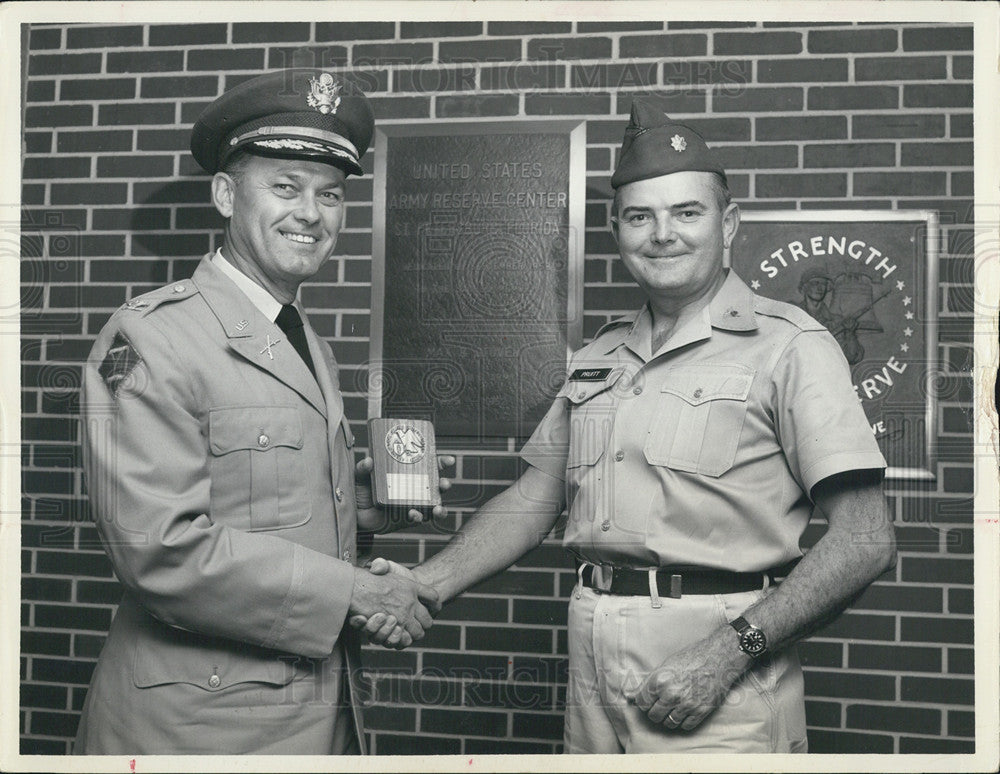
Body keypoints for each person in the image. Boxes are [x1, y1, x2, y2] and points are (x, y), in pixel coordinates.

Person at [354, 100, 897, 753]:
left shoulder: (789, 345)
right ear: (617, 231)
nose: (662, 233)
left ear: (729, 224)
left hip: (719, 664)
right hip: (591, 655)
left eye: (686, 212)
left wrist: (731, 651)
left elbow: (865, 538)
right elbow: (533, 501)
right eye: (641, 216)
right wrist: (424, 584)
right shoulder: (599, 357)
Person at [74, 69, 444, 755]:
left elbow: (255, 504)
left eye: (330, 195)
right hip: (202, 730)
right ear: (225, 194)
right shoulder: (152, 336)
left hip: (312, 711)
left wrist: (355, 511)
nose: (311, 213)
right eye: (285, 186)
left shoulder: (303, 337)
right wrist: (356, 594)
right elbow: (159, 550)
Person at [794, 266, 865, 364]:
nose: (819, 288)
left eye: (823, 284)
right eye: (815, 283)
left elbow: (852, 357)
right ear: (804, 287)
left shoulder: (836, 322)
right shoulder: (792, 315)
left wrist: (850, 333)